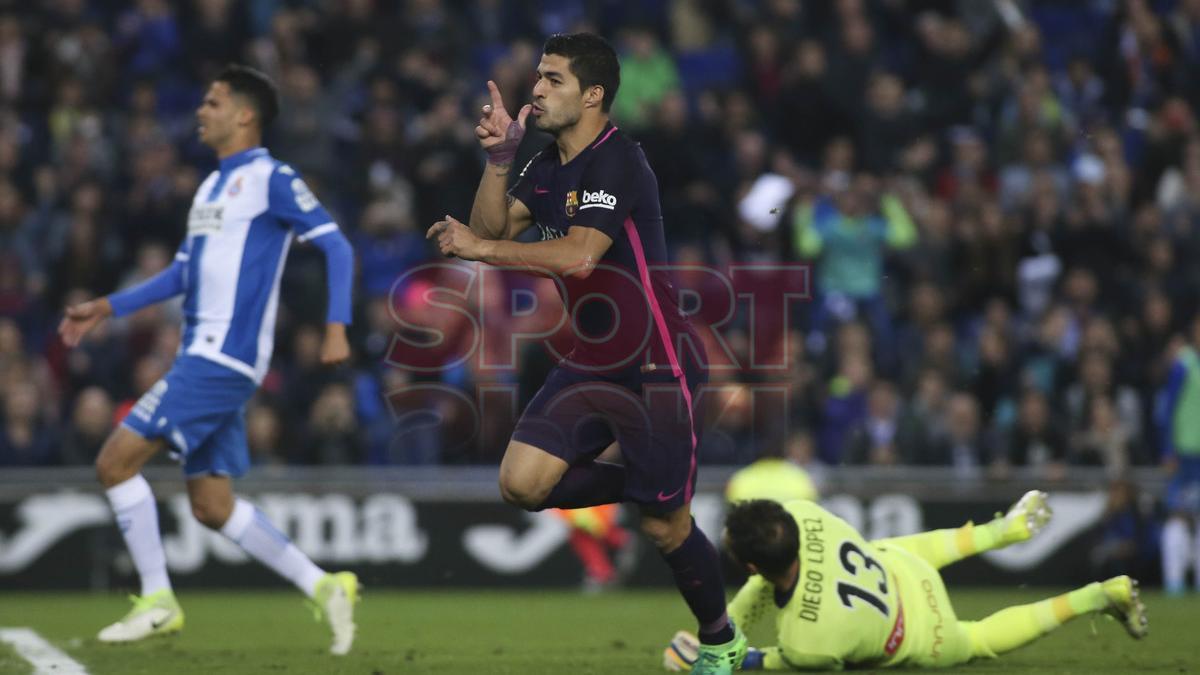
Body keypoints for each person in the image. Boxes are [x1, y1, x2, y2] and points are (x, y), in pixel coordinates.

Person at [427, 33, 744, 674]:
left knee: (667, 531)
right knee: (520, 484)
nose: (536, 88)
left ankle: (720, 640)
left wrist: (480, 251)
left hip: (658, 361)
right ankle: (646, 483)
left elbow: (576, 255)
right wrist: (497, 161)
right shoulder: (544, 167)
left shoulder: (618, 161)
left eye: (552, 79)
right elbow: (488, 228)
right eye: (537, 77)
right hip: (595, 358)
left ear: (593, 93)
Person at [57, 65, 359, 654]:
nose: (201, 111)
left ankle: (156, 600)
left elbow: (336, 245)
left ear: (245, 114)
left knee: (115, 464)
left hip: (222, 359)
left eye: (213, 102)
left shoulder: (272, 178)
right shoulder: (210, 187)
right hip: (204, 354)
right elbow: (182, 272)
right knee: (212, 506)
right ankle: (324, 585)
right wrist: (109, 307)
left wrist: (336, 327)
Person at [664, 491, 1147, 671]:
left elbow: (766, 661)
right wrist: (725, 634)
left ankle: (1092, 597)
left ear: (751, 565)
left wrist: (722, 654)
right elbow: (769, 581)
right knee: (908, 546)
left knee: (979, 640)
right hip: (899, 568)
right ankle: (999, 531)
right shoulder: (805, 515)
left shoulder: (806, 641)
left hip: (917, 635)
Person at [1158, 315, 1200, 595]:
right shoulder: (1183, 363)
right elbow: (1168, 407)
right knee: (1178, 517)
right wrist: (1168, 449)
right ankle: (1173, 585)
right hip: (1185, 454)